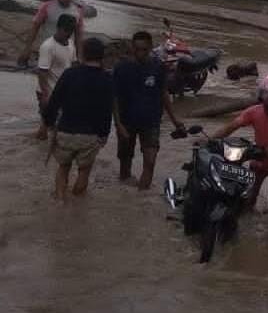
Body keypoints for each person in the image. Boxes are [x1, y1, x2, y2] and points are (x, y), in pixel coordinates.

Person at [212, 72, 268, 216]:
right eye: (266, 94)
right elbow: (231, 126)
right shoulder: (254, 112)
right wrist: (211, 139)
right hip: (257, 161)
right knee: (247, 200)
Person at [43, 37, 113, 200]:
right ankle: (75, 206)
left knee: (63, 168)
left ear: (83, 54)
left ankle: (60, 203)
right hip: (89, 135)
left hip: (66, 131)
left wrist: (49, 122)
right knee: (84, 172)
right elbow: (107, 110)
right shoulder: (107, 80)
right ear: (102, 57)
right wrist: (104, 134)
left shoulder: (70, 74)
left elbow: (54, 101)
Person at [113, 30, 185, 189]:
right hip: (126, 122)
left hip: (151, 122)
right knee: (125, 166)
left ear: (151, 47)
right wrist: (118, 124)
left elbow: (164, 93)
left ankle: (141, 197)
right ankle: (129, 201)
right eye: (137, 49)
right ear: (132, 48)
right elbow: (115, 98)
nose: (140, 53)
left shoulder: (158, 67)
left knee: (150, 162)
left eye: (144, 49)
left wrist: (175, 120)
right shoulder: (121, 68)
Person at [18, 0, 84, 66]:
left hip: (67, 52)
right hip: (48, 50)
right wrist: (27, 49)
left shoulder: (77, 11)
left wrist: (79, 56)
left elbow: (78, 35)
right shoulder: (47, 7)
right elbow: (35, 28)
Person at [35, 14, 77, 141]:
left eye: (71, 30)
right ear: (58, 28)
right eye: (66, 30)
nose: (68, 33)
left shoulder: (71, 44)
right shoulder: (48, 46)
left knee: (55, 127)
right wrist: (45, 96)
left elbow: (73, 65)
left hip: (64, 91)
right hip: (49, 92)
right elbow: (42, 72)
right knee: (47, 128)